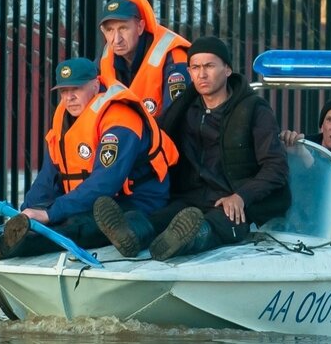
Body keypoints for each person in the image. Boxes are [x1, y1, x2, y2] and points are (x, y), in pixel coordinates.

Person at [0, 57, 177, 262]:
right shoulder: (64, 122)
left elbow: (104, 183)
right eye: (63, 91)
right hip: (93, 200)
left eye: (76, 88)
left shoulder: (120, 120)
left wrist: (50, 213)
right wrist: (25, 214)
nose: (69, 97)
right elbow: (48, 178)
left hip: (137, 203)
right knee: (44, 218)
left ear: (95, 84)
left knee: (77, 224)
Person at [94, 36, 290, 261]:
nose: (202, 74)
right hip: (190, 199)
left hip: (236, 202)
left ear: (227, 70)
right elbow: (156, 142)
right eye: (195, 67)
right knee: (160, 218)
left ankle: (187, 240)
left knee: (213, 224)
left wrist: (241, 196)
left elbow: (276, 167)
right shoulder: (184, 109)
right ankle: (131, 232)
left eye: (209, 66)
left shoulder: (254, 109)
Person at [97, 0, 190, 119]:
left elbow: (175, 120)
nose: (116, 39)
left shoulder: (174, 58)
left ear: (140, 27)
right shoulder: (106, 57)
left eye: (123, 28)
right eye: (109, 30)